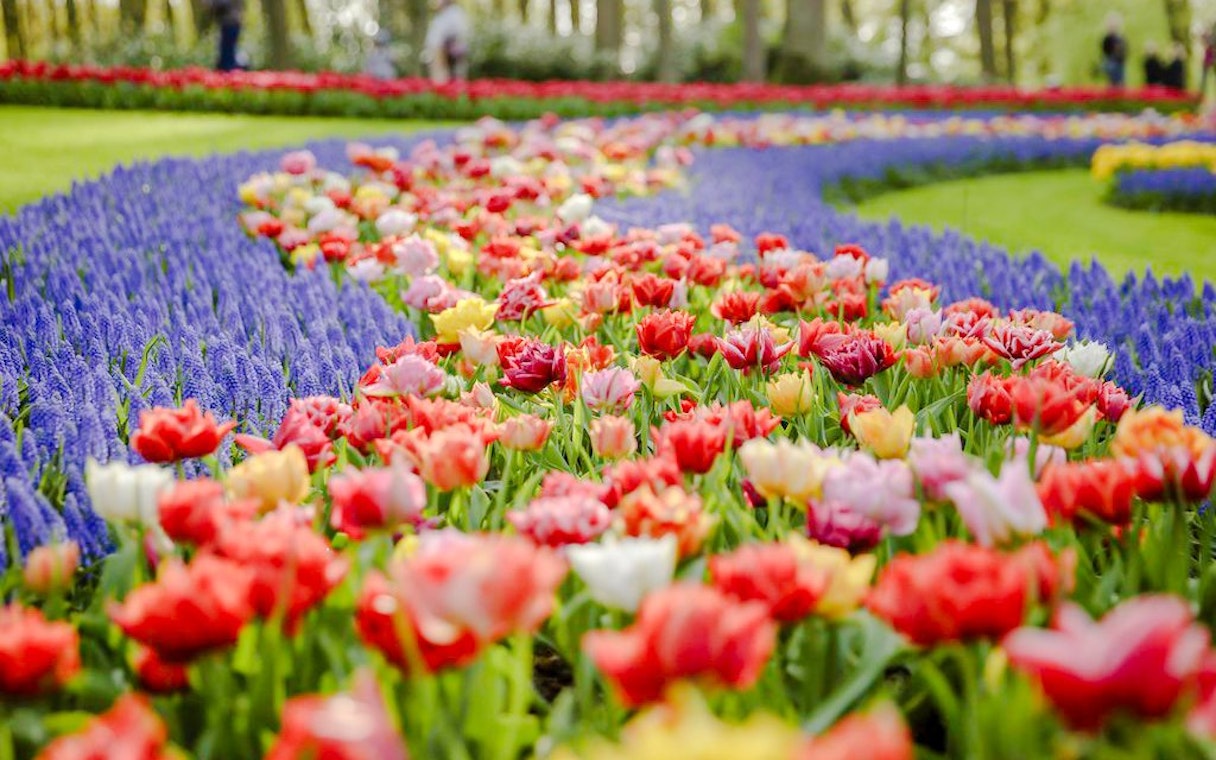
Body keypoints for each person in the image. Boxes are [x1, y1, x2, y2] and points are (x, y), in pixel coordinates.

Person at [424, 0, 470, 83]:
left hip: (445, 55)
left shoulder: (455, 13)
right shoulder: (441, 14)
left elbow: (456, 36)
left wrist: (443, 54)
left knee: (447, 82)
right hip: (437, 54)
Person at [207, 0, 245, 72]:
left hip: (231, 21)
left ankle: (228, 71)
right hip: (227, 22)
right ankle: (226, 70)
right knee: (226, 49)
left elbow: (223, 3)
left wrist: (211, 3)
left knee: (228, 50)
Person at [1100, 13, 1127, 87]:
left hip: (1118, 64)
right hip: (1110, 62)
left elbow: (1123, 52)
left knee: (1119, 81)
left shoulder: (1120, 38)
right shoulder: (1107, 38)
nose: (1112, 27)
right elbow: (1104, 50)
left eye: (1113, 25)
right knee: (1112, 81)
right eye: (1110, 25)